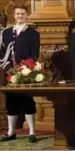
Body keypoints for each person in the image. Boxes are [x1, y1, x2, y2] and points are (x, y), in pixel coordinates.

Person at [0, 4, 40, 143]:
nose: (20, 16)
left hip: (25, 72)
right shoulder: (5, 32)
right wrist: (9, 68)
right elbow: (2, 52)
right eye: (17, 14)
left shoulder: (33, 33)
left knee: (27, 102)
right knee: (11, 102)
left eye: (22, 14)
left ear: (27, 15)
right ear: (14, 15)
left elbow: (35, 54)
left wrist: (24, 68)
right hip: (9, 72)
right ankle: (11, 132)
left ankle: (32, 132)